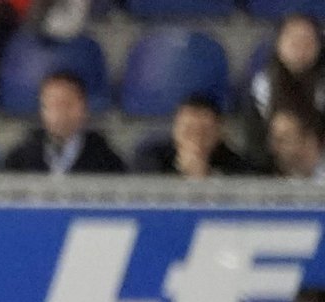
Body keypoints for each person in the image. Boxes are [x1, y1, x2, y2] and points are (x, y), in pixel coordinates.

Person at [2, 71, 126, 175]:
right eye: (52, 105)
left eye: (67, 104)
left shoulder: (108, 161)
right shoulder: (19, 160)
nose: (60, 113)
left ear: (84, 108)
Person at [242, 15, 325, 165]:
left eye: (307, 41)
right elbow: (254, 142)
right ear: (278, 44)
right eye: (293, 40)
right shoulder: (262, 86)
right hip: (272, 170)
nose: (300, 47)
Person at [136, 95, 255, 178]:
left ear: (219, 133)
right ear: (175, 130)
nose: (196, 139)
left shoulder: (236, 165)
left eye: (204, 132)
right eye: (188, 131)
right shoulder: (151, 157)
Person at [267, 107, 325, 182]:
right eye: (274, 140)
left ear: (308, 141)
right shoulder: (276, 182)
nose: (275, 148)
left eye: (284, 140)